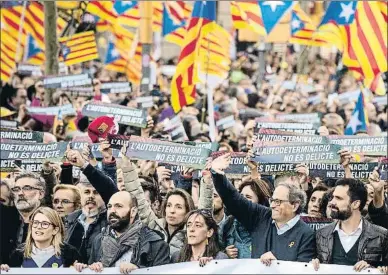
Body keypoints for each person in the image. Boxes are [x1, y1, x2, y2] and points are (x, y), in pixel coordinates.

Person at [210, 154, 315, 265]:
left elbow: (302, 269)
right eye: (272, 200)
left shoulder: (306, 234)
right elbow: (235, 200)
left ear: (294, 205)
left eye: (278, 202)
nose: (273, 205)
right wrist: (217, 175)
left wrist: (277, 263)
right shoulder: (261, 216)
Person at [74, 192, 170, 274]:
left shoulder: (156, 244)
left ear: (133, 211)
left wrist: (139, 271)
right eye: (109, 207)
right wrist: (90, 268)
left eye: (118, 206)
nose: (112, 211)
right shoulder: (99, 240)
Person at [312, 178, 388, 271]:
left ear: (355, 204)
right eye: (333, 197)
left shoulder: (381, 236)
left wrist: (372, 270)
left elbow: (384, 268)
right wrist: (312, 264)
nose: (332, 202)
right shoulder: (321, 234)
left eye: (339, 198)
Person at [63, 149, 118, 263]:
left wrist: (84, 165)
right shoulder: (69, 220)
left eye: (96, 192)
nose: (91, 197)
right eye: (87, 192)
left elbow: (108, 188)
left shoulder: (113, 220)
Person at [0, 207, 80, 270]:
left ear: (55, 230)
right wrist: (4, 269)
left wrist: (82, 268)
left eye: (44, 224)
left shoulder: (70, 253)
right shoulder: (18, 253)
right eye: (35, 223)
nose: (38, 227)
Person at [1, 172, 46, 265]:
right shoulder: (5, 217)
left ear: (41, 194)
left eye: (27, 188)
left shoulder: (50, 220)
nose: (20, 193)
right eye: (16, 189)